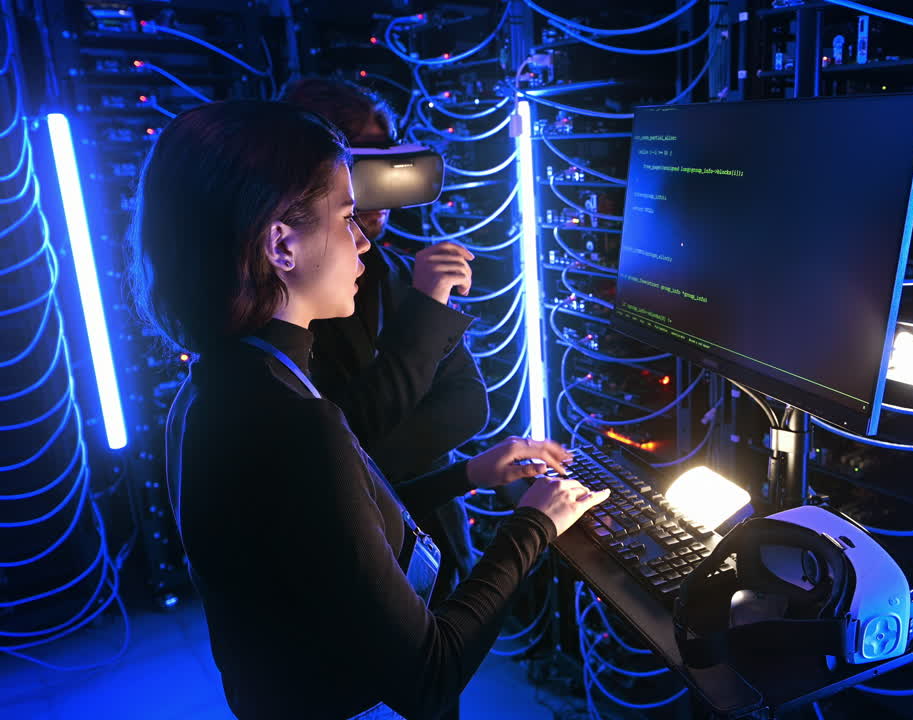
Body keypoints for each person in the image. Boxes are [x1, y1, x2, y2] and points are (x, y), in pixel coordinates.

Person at [129, 100, 609, 720]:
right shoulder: (296, 419)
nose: (362, 241)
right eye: (347, 216)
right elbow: (429, 675)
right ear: (281, 244)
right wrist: (534, 527)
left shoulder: (220, 385)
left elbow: (333, 536)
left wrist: (468, 475)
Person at [280, 76, 486, 608]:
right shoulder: (286, 301)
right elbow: (333, 458)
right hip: (354, 571)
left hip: (433, 538)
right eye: (358, 163)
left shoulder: (399, 274)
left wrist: (369, 468)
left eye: (385, 157)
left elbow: (468, 406)